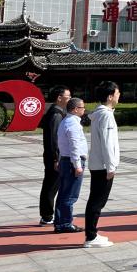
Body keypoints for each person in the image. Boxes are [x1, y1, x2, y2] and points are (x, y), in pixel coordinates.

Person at [84, 81, 120, 248]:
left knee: (96, 200)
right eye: (117, 93)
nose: (119, 96)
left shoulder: (99, 114)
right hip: (103, 166)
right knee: (97, 201)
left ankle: (92, 233)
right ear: (110, 96)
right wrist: (111, 166)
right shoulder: (106, 115)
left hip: (98, 164)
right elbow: (107, 142)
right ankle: (91, 236)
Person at [54, 97, 87, 233]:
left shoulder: (65, 121)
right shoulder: (73, 124)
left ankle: (60, 222)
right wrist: (77, 165)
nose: (84, 109)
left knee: (63, 193)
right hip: (71, 162)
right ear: (75, 109)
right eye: (82, 107)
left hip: (65, 160)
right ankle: (66, 223)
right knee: (70, 195)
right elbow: (74, 146)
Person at [37, 85, 69, 226]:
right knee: (51, 185)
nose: (70, 99)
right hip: (54, 157)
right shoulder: (56, 114)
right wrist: (56, 158)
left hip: (53, 155)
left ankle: (47, 214)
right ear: (59, 98)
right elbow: (54, 139)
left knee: (51, 184)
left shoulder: (57, 112)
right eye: (68, 96)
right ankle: (47, 215)